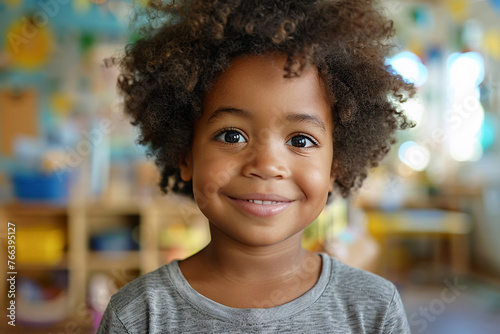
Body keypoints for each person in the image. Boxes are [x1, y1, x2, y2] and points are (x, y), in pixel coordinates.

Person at [98, 0, 415, 332]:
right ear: (186, 154)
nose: (266, 165)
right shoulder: (138, 315)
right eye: (232, 135)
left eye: (301, 140)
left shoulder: (373, 309)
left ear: (335, 164)